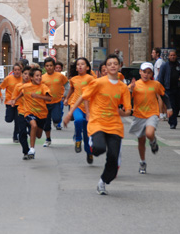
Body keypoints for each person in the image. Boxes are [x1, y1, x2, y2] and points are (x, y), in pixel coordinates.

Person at [63, 54, 132, 195]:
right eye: (110, 64)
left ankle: (103, 181)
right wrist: (70, 113)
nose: (113, 66)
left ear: (119, 67)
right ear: (105, 68)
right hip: (98, 122)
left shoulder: (122, 87)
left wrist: (123, 112)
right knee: (100, 148)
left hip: (115, 126)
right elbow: (83, 96)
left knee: (113, 158)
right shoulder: (98, 83)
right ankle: (91, 145)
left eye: (115, 63)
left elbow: (128, 110)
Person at [128, 62, 172, 174]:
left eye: (148, 72)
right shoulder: (135, 84)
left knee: (149, 133)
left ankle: (153, 141)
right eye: (144, 72)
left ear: (152, 73)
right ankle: (142, 162)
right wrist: (130, 90)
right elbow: (126, 99)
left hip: (152, 113)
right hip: (139, 115)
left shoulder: (155, 84)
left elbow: (164, 96)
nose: (146, 75)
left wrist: (169, 108)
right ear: (140, 72)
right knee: (141, 141)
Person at [11, 68, 51, 159]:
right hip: (28, 111)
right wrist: (15, 100)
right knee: (33, 125)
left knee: (39, 135)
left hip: (41, 114)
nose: (39, 77)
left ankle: (32, 145)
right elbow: (22, 92)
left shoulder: (43, 87)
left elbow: (49, 99)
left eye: (40, 76)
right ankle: (32, 149)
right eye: (37, 76)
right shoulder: (26, 86)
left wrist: (38, 96)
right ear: (31, 78)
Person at [65, 57, 95, 163]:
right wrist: (67, 98)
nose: (80, 66)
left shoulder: (91, 79)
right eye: (78, 65)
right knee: (78, 120)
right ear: (76, 68)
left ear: (87, 67)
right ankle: (78, 139)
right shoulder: (73, 79)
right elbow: (72, 89)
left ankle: (89, 152)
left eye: (82, 64)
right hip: (76, 105)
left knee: (87, 133)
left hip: (88, 108)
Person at [41, 57, 68, 147]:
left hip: (56, 102)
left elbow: (67, 84)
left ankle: (55, 120)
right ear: (45, 67)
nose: (49, 67)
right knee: (46, 125)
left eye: (51, 65)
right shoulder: (42, 78)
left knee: (57, 119)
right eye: (47, 66)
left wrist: (65, 95)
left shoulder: (60, 76)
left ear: (54, 66)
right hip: (45, 104)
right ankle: (48, 139)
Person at [157, 49, 180, 129]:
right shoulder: (164, 66)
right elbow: (161, 77)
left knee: (177, 106)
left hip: (178, 88)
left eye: (174, 55)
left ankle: (174, 117)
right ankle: (172, 122)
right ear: (168, 56)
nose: (172, 57)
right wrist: (161, 88)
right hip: (168, 89)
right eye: (171, 55)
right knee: (171, 106)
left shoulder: (179, 65)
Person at [9, 66, 32, 159]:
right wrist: (13, 101)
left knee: (32, 132)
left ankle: (32, 148)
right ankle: (26, 152)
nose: (27, 76)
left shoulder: (34, 85)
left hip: (33, 112)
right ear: (22, 75)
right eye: (25, 74)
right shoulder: (18, 86)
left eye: (29, 74)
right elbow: (13, 98)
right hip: (22, 112)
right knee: (22, 133)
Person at [0, 64, 23, 142]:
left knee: (17, 121)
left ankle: (15, 136)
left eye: (18, 70)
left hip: (20, 103)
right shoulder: (8, 78)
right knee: (9, 119)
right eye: (15, 70)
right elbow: (0, 87)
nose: (17, 71)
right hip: (9, 102)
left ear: (21, 71)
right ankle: (9, 116)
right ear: (13, 71)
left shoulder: (24, 79)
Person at [54, 61, 66, 130]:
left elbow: (67, 87)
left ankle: (58, 124)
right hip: (53, 98)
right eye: (56, 68)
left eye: (59, 68)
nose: (58, 69)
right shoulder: (51, 77)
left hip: (61, 97)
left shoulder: (63, 77)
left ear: (61, 69)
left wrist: (65, 96)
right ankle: (55, 119)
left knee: (60, 110)